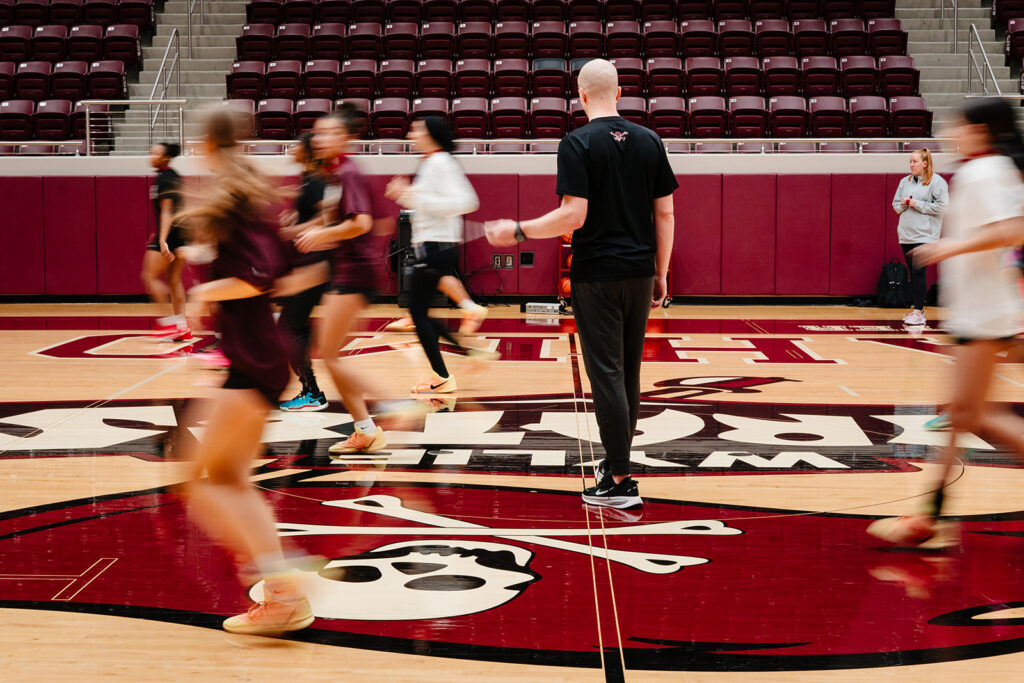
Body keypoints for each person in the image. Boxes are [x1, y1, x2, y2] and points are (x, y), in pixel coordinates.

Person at [484, 59, 677, 508]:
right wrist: (661, 272)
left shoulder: (577, 142)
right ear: (621, 93)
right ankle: (615, 465)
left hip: (597, 275)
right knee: (628, 373)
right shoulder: (651, 140)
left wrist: (518, 230)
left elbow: (574, 216)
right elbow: (665, 214)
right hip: (639, 271)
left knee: (606, 374)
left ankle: (622, 483)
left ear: (581, 94)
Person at [176, 109, 323, 635]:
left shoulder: (236, 196)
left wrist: (204, 289)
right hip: (257, 353)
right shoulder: (247, 191)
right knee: (227, 478)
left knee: (202, 478)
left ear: (208, 142)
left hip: (256, 355)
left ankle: (283, 581)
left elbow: (256, 277)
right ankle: (283, 591)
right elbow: (288, 271)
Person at [868, 97, 1024, 547]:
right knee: (962, 417)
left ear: (981, 131)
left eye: (960, 125)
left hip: (986, 314)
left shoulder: (985, 172)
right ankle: (931, 517)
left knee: (968, 414)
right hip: (985, 310)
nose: (952, 133)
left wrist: (946, 249)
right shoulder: (991, 170)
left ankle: (929, 520)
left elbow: (1012, 230)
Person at [294, 104, 388, 453]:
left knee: (330, 354)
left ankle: (387, 407)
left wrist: (319, 235)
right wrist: (308, 229)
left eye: (330, 133)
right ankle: (365, 428)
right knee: (330, 354)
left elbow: (361, 223)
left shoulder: (347, 172)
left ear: (347, 138)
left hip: (356, 270)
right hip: (345, 269)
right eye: (318, 133)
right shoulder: (332, 174)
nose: (320, 139)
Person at [384, 117, 487, 394]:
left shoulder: (441, 162)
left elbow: (466, 201)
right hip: (432, 247)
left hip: (436, 247)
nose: (410, 134)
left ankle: (442, 376)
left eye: (416, 129)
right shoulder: (431, 163)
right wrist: (406, 195)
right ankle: (465, 352)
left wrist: (412, 196)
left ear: (430, 134)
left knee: (418, 313)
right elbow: (426, 204)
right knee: (420, 313)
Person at [277, 133, 331, 412]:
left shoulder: (316, 180)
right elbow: (312, 216)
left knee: (287, 328)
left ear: (307, 149)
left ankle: (312, 392)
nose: (292, 148)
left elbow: (324, 219)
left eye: (296, 144)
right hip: (306, 264)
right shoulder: (308, 178)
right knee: (294, 327)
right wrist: (294, 219)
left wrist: (292, 230)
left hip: (315, 264)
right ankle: (310, 389)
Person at [891, 148, 949, 325]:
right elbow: (895, 206)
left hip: (925, 235)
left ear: (925, 163)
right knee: (912, 273)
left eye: (914, 161)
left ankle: (918, 311)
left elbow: (943, 207)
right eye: (910, 161)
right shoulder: (904, 182)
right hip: (907, 234)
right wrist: (902, 204)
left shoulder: (937, 182)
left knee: (919, 271)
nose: (911, 164)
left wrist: (919, 204)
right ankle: (916, 310)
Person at [141, 142, 191, 342]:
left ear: (164, 158)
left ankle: (170, 323)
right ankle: (182, 326)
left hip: (170, 237)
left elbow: (168, 211)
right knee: (173, 280)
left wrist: (162, 240)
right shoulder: (173, 175)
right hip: (180, 234)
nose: (150, 155)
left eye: (154, 153)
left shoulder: (165, 178)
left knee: (149, 277)